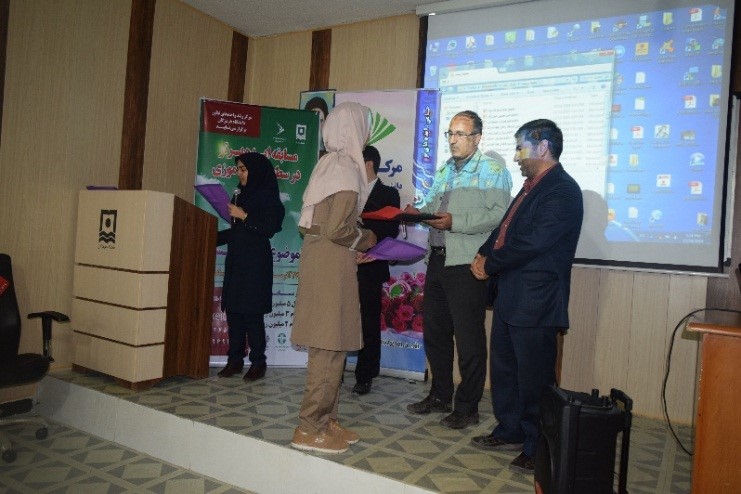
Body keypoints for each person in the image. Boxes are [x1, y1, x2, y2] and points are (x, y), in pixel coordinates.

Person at [470, 119, 584, 474]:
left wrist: (491, 263)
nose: (516, 156)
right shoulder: (530, 187)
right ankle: (511, 430)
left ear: (543, 147)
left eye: (521, 148)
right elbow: (505, 230)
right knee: (505, 372)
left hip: (536, 301)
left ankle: (539, 447)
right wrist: (482, 253)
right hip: (511, 297)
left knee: (535, 380)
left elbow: (532, 242)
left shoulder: (563, 190)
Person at [405, 110, 512, 430]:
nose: (453, 140)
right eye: (450, 133)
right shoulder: (444, 170)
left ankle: (467, 407)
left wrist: (457, 222)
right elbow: (432, 207)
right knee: (435, 333)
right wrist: (416, 212)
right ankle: (440, 395)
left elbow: (500, 216)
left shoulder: (493, 171)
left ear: (477, 138)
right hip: (437, 260)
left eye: (460, 134)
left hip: (466, 263)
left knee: (468, 339)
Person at [290, 102, 377, 454]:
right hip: (331, 268)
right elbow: (338, 229)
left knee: (332, 345)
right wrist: (367, 238)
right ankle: (309, 428)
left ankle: (327, 420)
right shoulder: (345, 168)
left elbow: (309, 225)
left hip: (322, 263)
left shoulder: (327, 164)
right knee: (328, 348)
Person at [216, 152, 286, 381]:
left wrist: (244, 216)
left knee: (252, 313)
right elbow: (238, 231)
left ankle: (258, 362)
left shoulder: (269, 199)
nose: (239, 173)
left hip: (255, 264)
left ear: (256, 172)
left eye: (243, 169)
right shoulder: (240, 196)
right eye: (238, 169)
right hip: (237, 261)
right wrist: (211, 237)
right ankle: (235, 360)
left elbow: (269, 228)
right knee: (234, 312)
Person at [352, 145, 401, 396]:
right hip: (345, 264)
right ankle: (335, 371)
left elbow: (390, 232)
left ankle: (365, 374)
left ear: (369, 163)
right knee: (341, 319)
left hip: (371, 266)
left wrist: (368, 250)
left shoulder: (389, 194)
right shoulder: (348, 190)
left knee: (368, 323)